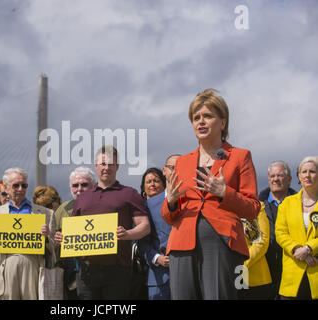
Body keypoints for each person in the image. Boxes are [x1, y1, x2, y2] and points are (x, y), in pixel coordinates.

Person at [161, 89, 260, 300]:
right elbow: (168, 217)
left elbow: (252, 209)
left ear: (223, 123)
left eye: (208, 116)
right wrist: (170, 202)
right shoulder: (182, 162)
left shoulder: (241, 157)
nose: (201, 122)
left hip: (222, 242)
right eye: (196, 118)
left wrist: (225, 192)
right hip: (181, 243)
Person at [55, 145, 151, 300]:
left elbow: (145, 226)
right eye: (103, 164)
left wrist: (128, 234)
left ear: (117, 166)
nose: (106, 168)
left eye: (111, 164)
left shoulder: (129, 194)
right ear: (96, 166)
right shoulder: (82, 198)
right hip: (86, 271)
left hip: (118, 270)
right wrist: (63, 238)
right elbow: (74, 231)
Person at [0, 168, 56, 300]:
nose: (20, 188)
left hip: (34, 268)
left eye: (24, 185)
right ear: (5, 187)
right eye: (16, 185)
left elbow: (54, 251)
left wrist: (46, 238)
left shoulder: (45, 214)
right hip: (7, 269)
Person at [275, 156, 318, 300]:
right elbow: (280, 233)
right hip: (293, 271)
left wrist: (308, 249)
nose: (307, 175)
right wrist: (296, 249)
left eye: (312, 171)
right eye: (303, 171)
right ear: (298, 176)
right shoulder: (287, 203)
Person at [53, 166, 96, 299]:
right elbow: (53, 238)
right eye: (75, 185)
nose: (79, 189)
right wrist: (56, 238)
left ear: (94, 186)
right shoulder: (62, 209)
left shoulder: (103, 207)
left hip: (98, 271)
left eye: (84, 184)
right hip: (71, 273)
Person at [258, 160, 296, 298]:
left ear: (289, 179)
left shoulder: (302, 205)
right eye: (272, 176)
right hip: (264, 269)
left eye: (280, 175)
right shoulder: (256, 205)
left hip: (293, 267)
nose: (275, 179)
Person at [137, 167, 172, 300]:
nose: (152, 184)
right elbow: (141, 243)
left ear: (164, 184)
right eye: (148, 182)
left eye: (156, 181)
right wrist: (157, 258)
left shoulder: (177, 204)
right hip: (158, 276)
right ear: (143, 187)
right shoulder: (140, 210)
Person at [237, 202, 272, 299]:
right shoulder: (215, 206)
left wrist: (240, 266)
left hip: (253, 279)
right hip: (223, 276)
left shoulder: (253, 206)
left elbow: (260, 242)